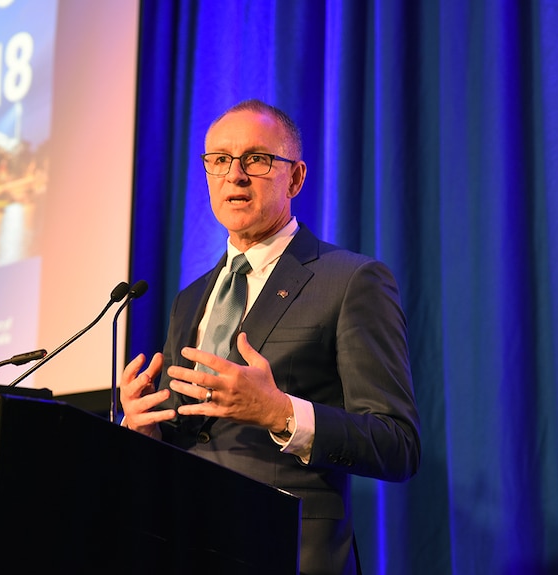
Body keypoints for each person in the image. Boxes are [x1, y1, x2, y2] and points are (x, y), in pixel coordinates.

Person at [119, 99, 421, 575]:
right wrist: (147, 430)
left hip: (290, 551)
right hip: (186, 545)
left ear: (295, 178)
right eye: (219, 160)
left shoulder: (350, 280)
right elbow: (191, 440)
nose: (234, 175)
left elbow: (397, 444)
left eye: (256, 159)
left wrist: (281, 413)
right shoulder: (189, 298)